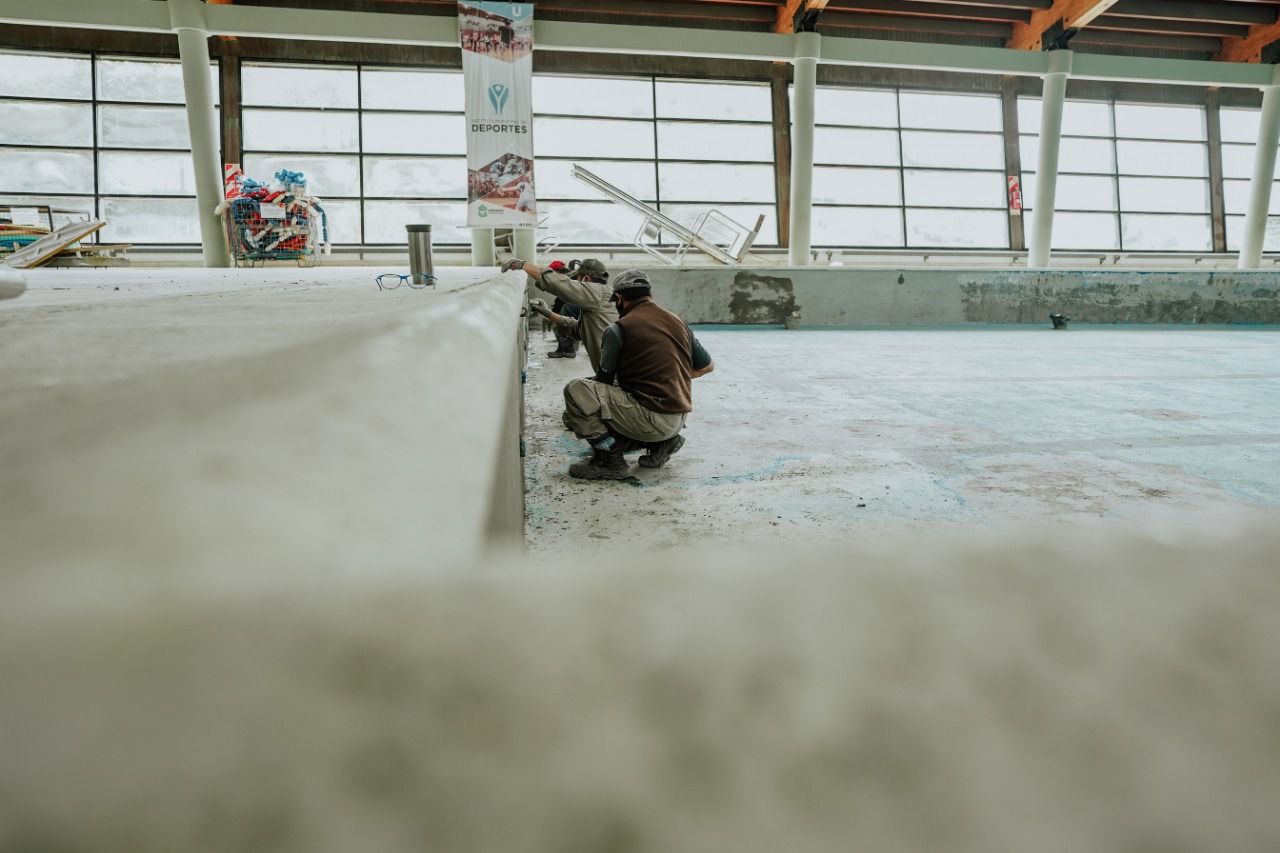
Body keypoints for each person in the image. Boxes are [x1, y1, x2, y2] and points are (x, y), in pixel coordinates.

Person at [559, 269, 714, 481]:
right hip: (677, 419)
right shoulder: (678, 321)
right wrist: (668, 375)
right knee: (615, 398)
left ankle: (609, 461)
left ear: (620, 299)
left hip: (651, 420)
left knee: (577, 391)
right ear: (648, 295)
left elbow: (605, 382)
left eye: (616, 302)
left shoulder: (619, 328)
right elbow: (707, 366)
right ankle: (663, 443)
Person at [504, 256, 616, 374]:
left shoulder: (597, 292)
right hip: (614, 375)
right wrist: (548, 313)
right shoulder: (604, 296)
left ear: (586, 279)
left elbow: (559, 284)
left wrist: (523, 265)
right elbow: (578, 329)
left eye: (576, 280)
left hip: (616, 379)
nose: (575, 283)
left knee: (574, 389)